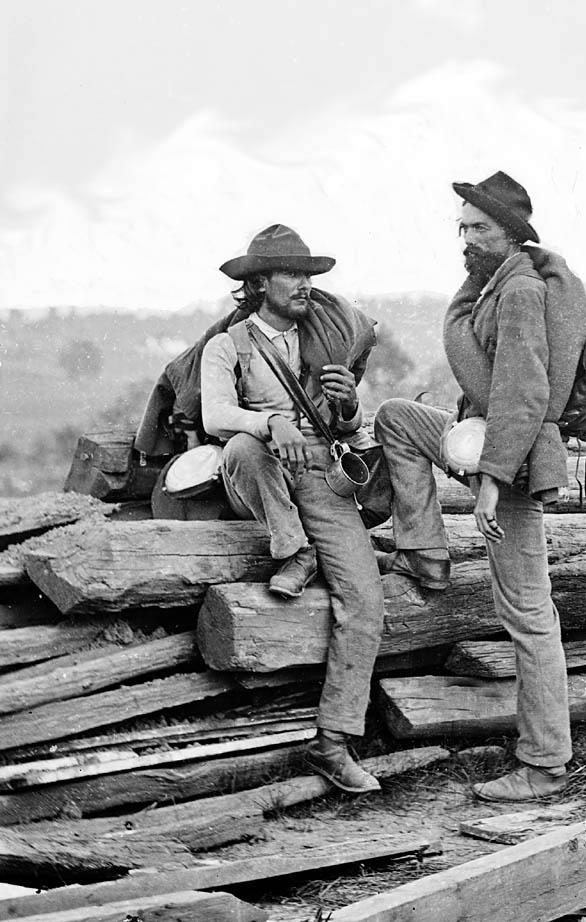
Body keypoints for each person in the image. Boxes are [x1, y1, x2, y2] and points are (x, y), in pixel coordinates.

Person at [374, 171, 586, 801]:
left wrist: (491, 483)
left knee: (528, 612)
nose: (465, 238)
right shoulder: (492, 283)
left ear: (510, 234)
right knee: (396, 417)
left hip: (515, 458)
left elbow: (524, 392)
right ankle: (427, 553)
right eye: (462, 226)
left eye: (479, 228)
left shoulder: (521, 290)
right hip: (485, 436)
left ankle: (545, 763)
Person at [200, 224, 384, 794]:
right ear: (258, 284)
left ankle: (332, 742)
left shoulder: (322, 342)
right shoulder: (229, 345)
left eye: (308, 274)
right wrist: (266, 420)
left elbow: (344, 426)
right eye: (291, 274)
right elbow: (215, 416)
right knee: (243, 445)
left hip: (320, 475)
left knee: (366, 598)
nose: (304, 285)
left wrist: (349, 406)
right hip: (261, 471)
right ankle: (294, 548)